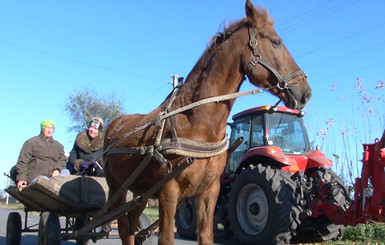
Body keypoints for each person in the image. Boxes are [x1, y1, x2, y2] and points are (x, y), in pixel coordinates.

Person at [15, 119, 69, 189]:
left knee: (66, 172)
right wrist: (22, 178)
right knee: (44, 181)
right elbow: (22, 161)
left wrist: (57, 169)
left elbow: (62, 159)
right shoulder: (31, 142)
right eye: (47, 127)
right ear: (42, 128)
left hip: (53, 176)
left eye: (52, 128)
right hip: (36, 175)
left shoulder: (58, 146)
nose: (49, 130)